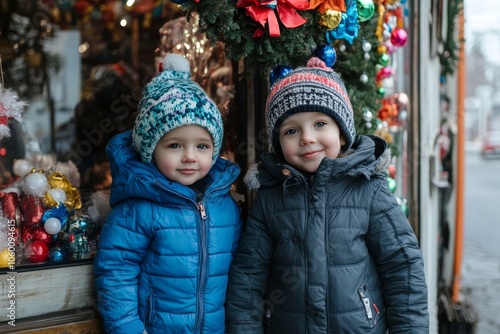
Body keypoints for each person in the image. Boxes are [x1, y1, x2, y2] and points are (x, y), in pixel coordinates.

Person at [225, 57, 429, 333]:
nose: (307, 138)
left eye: (320, 124)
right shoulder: (271, 197)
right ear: (278, 144)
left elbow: (402, 265)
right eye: (292, 130)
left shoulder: (368, 188)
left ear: (343, 134)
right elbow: (249, 277)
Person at [93, 53, 242, 334]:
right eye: (175, 146)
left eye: (202, 146)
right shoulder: (137, 209)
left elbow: (235, 274)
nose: (189, 156)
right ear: (151, 151)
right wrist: (129, 328)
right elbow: (115, 273)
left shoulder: (225, 206)